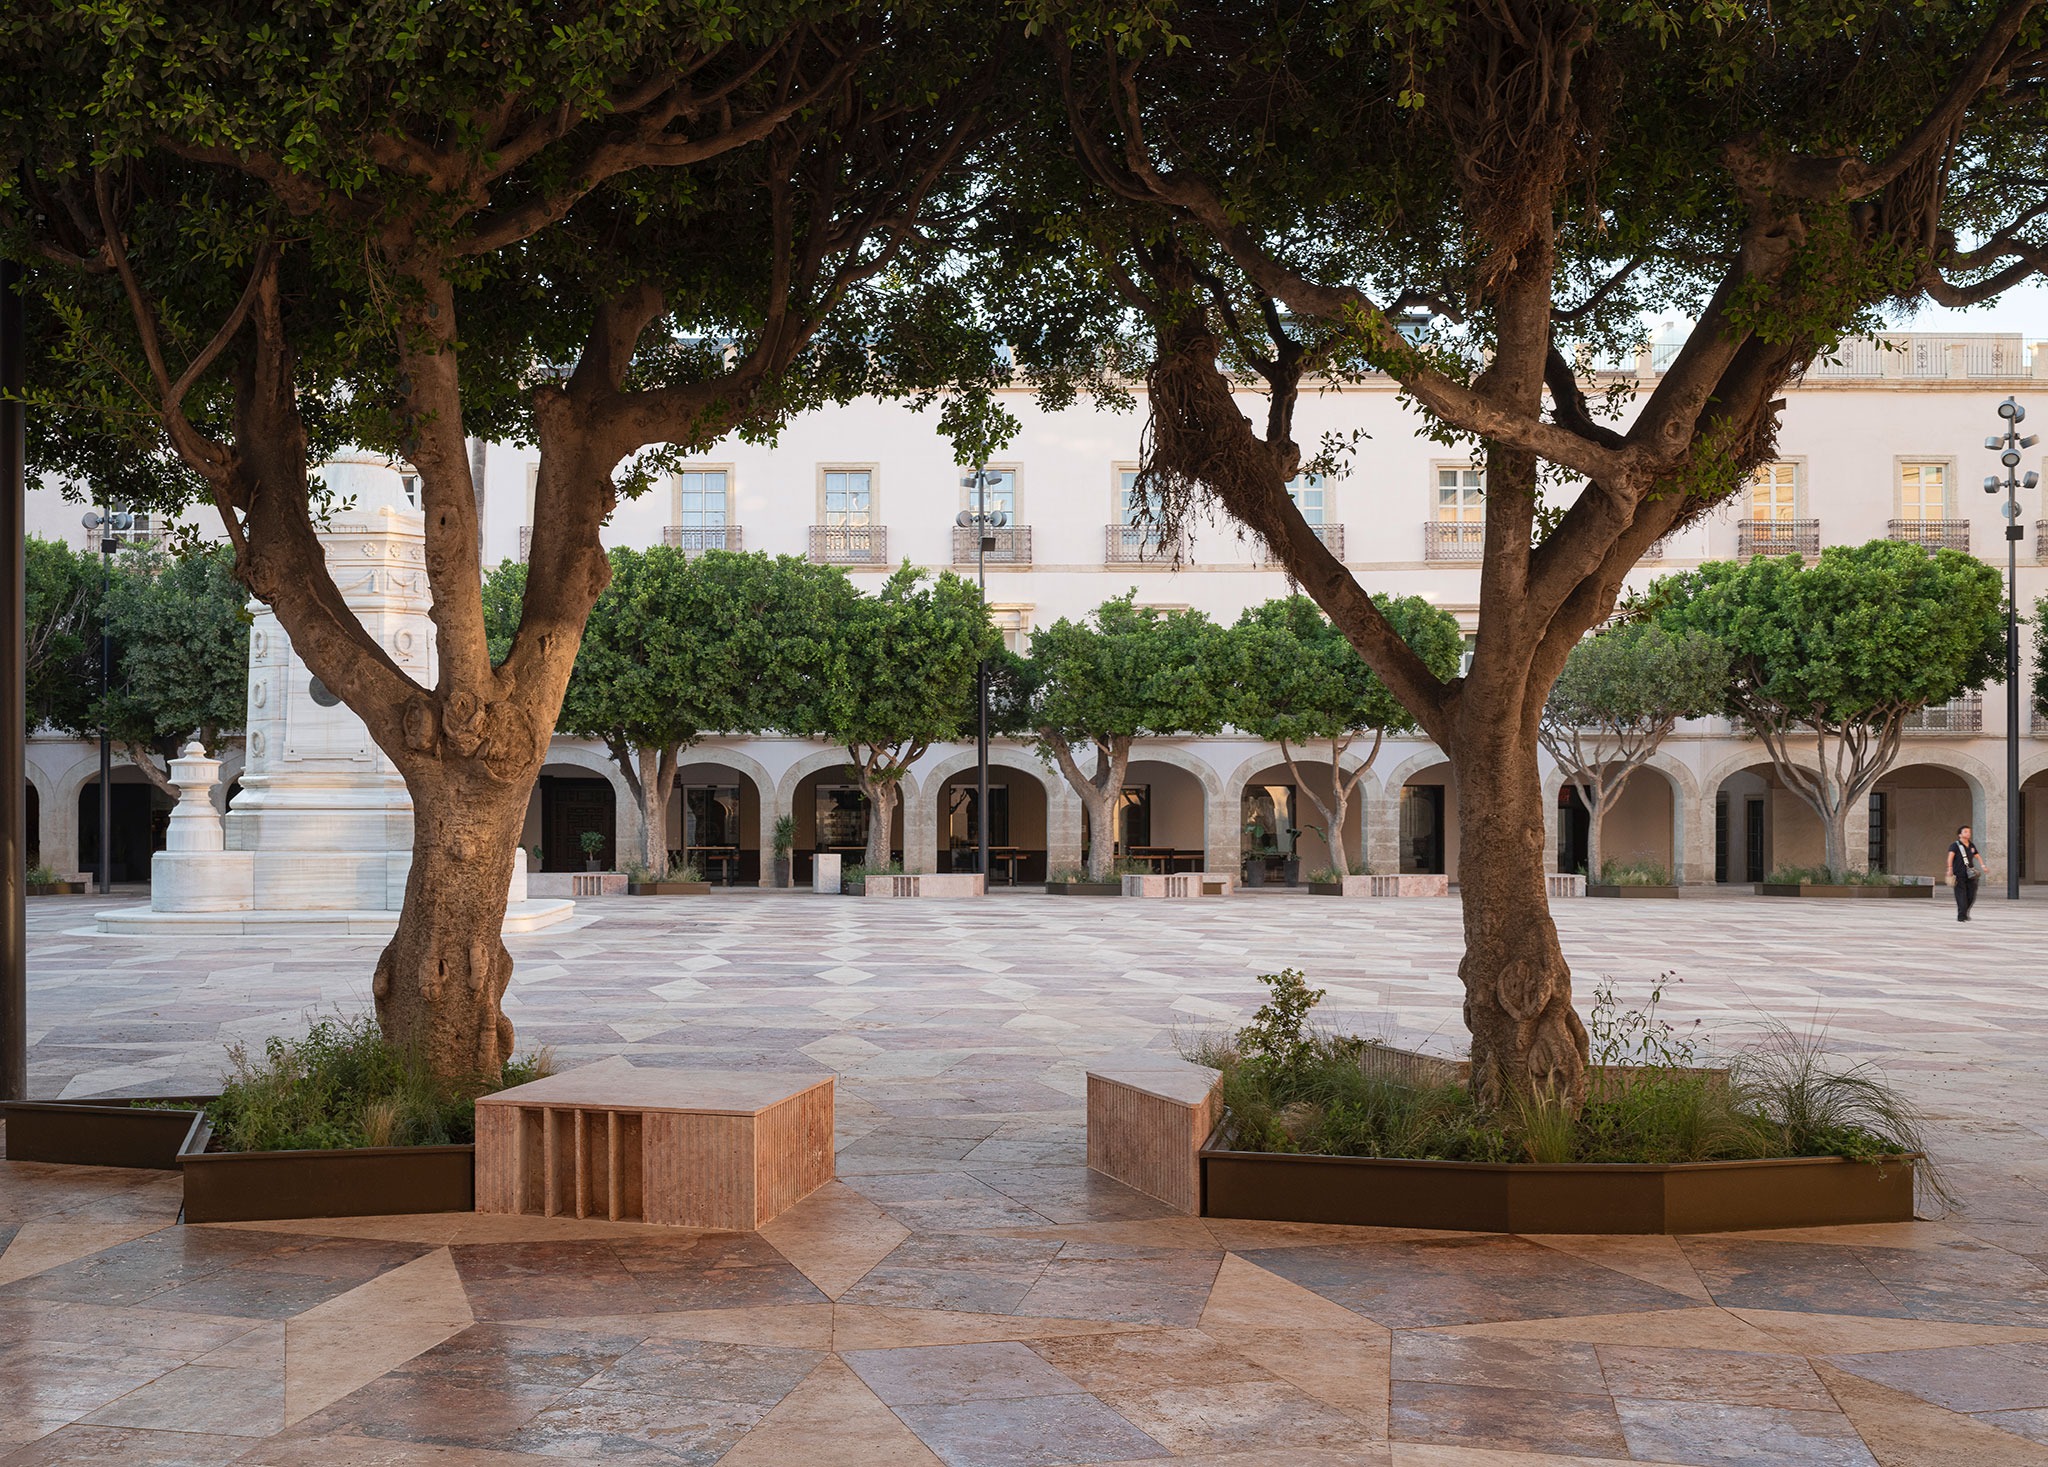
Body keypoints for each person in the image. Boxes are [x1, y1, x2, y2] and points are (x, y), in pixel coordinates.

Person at [1947, 824, 1984, 921]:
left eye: (1969, 832)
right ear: (1960, 834)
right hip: (1959, 873)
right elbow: (1950, 857)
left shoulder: (1971, 845)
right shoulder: (1955, 845)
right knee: (1961, 894)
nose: (1968, 833)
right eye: (1965, 832)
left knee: (1971, 895)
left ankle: (1964, 912)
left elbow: (1977, 855)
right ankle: (1961, 915)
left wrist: (1983, 865)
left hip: (1970, 874)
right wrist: (1950, 868)